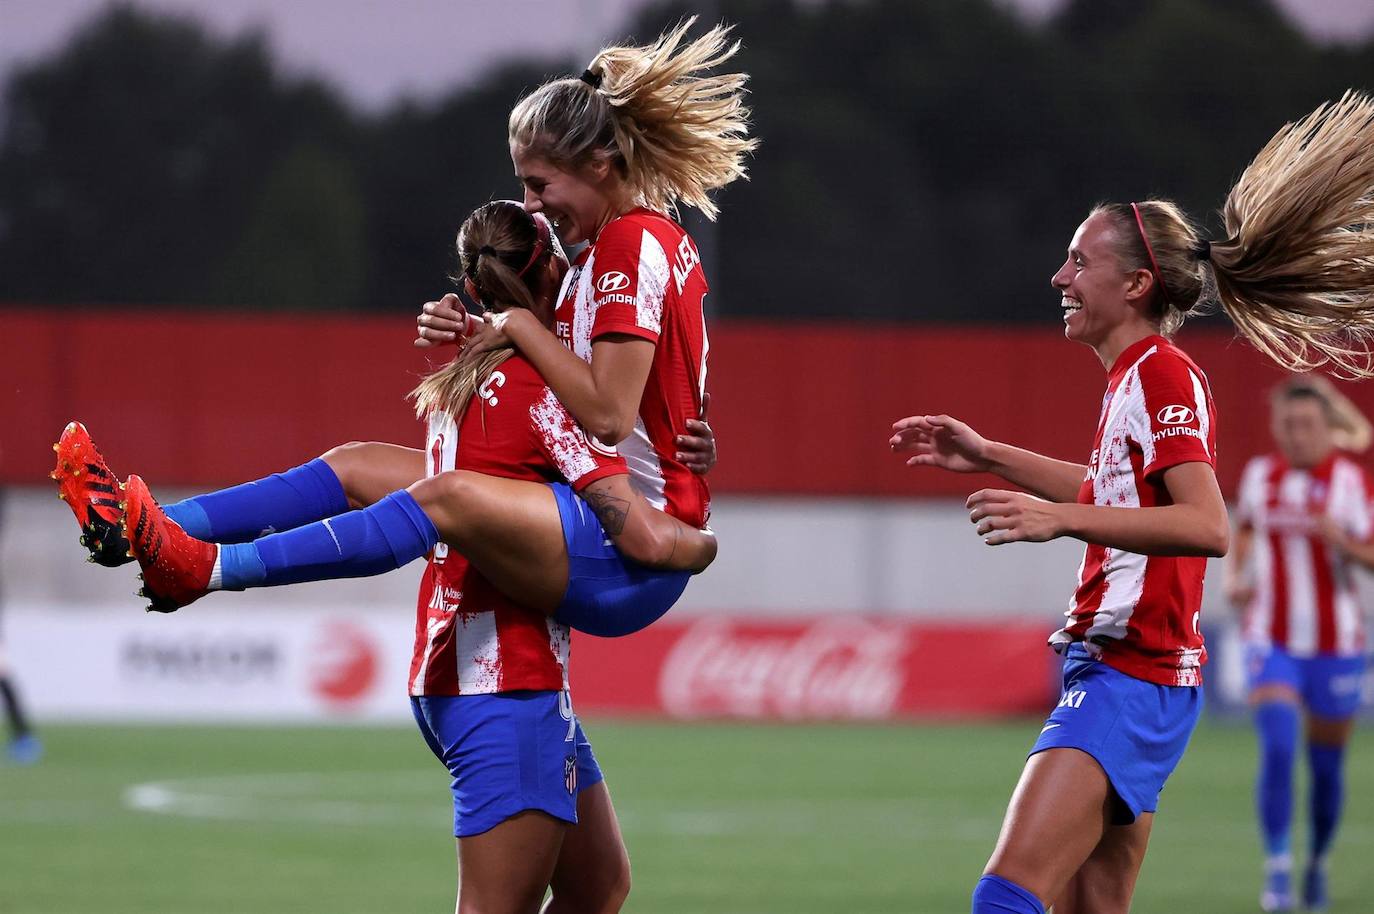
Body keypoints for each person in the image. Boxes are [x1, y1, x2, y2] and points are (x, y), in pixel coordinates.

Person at [56, 200, 695, 913]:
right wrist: (696, 536)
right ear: (551, 284)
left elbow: (375, 472)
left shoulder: (467, 378)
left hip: (456, 673)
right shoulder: (545, 397)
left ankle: (153, 526)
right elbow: (632, 522)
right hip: (508, 686)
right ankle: (202, 564)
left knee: (598, 886)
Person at [891, 92, 1374, 914]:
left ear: (1138, 282)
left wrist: (1060, 522)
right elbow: (1111, 493)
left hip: (1131, 672)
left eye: (1079, 261)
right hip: (1131, 671)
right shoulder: (1132, 378)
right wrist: (990, 455)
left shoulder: (1160, 373)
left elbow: (1205, 526)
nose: (1060, 277)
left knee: (1004, 899)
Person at [417, 16, 757, 543]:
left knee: (396, 487)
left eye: (538, 183)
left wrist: (518, 324)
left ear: (598, 165)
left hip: (635, 523)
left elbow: (607, 417)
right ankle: (242, 553)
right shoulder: (625, 244)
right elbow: (624, 388)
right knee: (382, 481)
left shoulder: (626, 244)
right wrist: (475, 328)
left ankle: (241, 562)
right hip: (624, 504)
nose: (529, 203)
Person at [1225, 375, 1373, 912]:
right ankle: (1280, 868)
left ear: (1327, 428)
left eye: (1306, 424)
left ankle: (1317, 862)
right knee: (1280, 745)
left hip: (1337, 644)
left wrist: (1344, 543)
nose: (1296, 434)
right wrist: (1235, 577)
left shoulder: (1351, 484)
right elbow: (1243, 530)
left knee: (1327, 768)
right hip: (1272, 638)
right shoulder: (1261, 476)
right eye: (1287, 424)